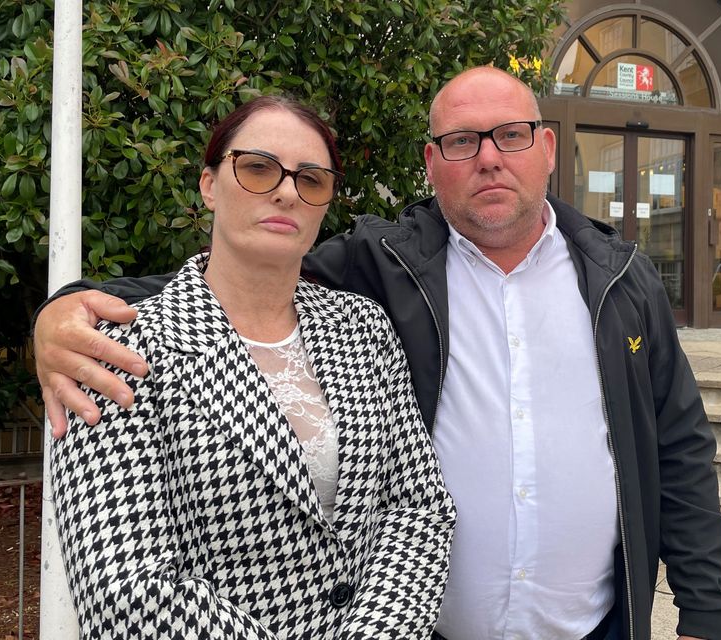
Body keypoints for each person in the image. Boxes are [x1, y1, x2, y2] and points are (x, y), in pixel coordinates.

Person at [35, 67, 721, 639]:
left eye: (511, 136)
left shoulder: (623, 277)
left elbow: (677, 442)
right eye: (462, 141)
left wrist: (705, 609)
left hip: (595, 626)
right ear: (432, 163)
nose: (489, 157)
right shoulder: (385, 266)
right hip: (433, 628)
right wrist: (68, 303)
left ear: (548, 149)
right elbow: (252, 268)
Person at [46, 95, 456, 639]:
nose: (288, 190)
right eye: (259, 168)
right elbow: (128, 586)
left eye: (311, 179)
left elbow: (419, 509)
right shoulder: (118, 348)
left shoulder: (365, 330)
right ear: (209, 185)